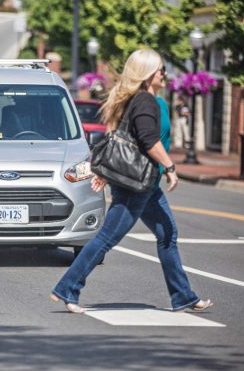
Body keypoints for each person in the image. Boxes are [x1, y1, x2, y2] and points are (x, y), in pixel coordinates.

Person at [50, 49, 213, 314]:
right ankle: (67, 289)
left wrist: (105, 173)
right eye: (161, 70)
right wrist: (170, 167)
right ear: (149, 74)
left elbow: (122, 139)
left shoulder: (136, 100)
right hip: (136, 184)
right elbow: (149, 141)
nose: (165, 74)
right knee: (106, 239)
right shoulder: (145, 101)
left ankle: (183, 297)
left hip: (144, 183)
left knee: (167, 235)